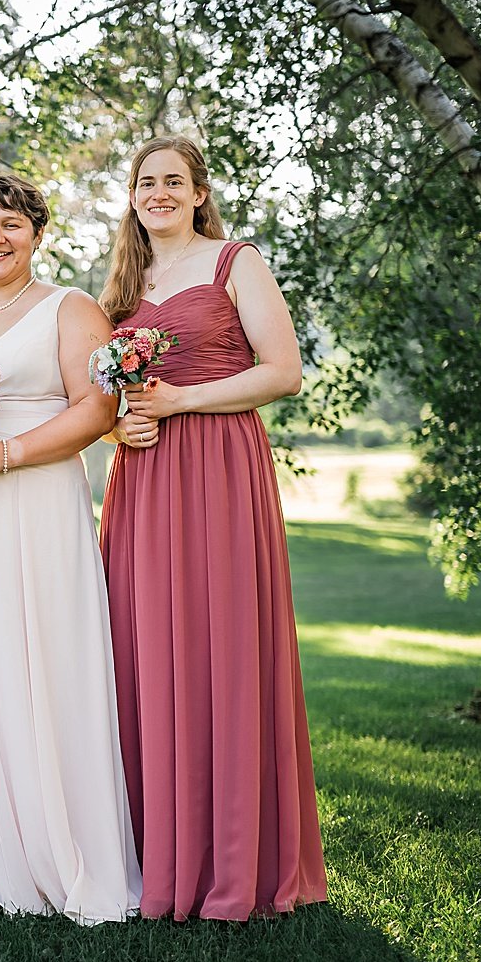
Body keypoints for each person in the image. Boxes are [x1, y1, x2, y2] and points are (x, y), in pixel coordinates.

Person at [98, 135, 327, 921]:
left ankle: (233, 860)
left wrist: (180, 402)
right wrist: (116, 430)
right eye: (144, 182)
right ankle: (151, 855)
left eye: (172, 181)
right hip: (144, 478)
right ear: (130, 196)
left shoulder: (235, 260)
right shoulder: (123, 282)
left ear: (198, 193)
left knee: (219, 643)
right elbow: (96, 396)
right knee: (140, 645)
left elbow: (282, 371)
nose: (157, 192)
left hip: (220, 467)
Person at [0, 173, 142, 923]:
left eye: (10, 224)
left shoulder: (68, 308)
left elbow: (98, 409)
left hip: (36, 502)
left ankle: (68, 857)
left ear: (36, 232)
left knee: (44, 664)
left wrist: (4, 452)